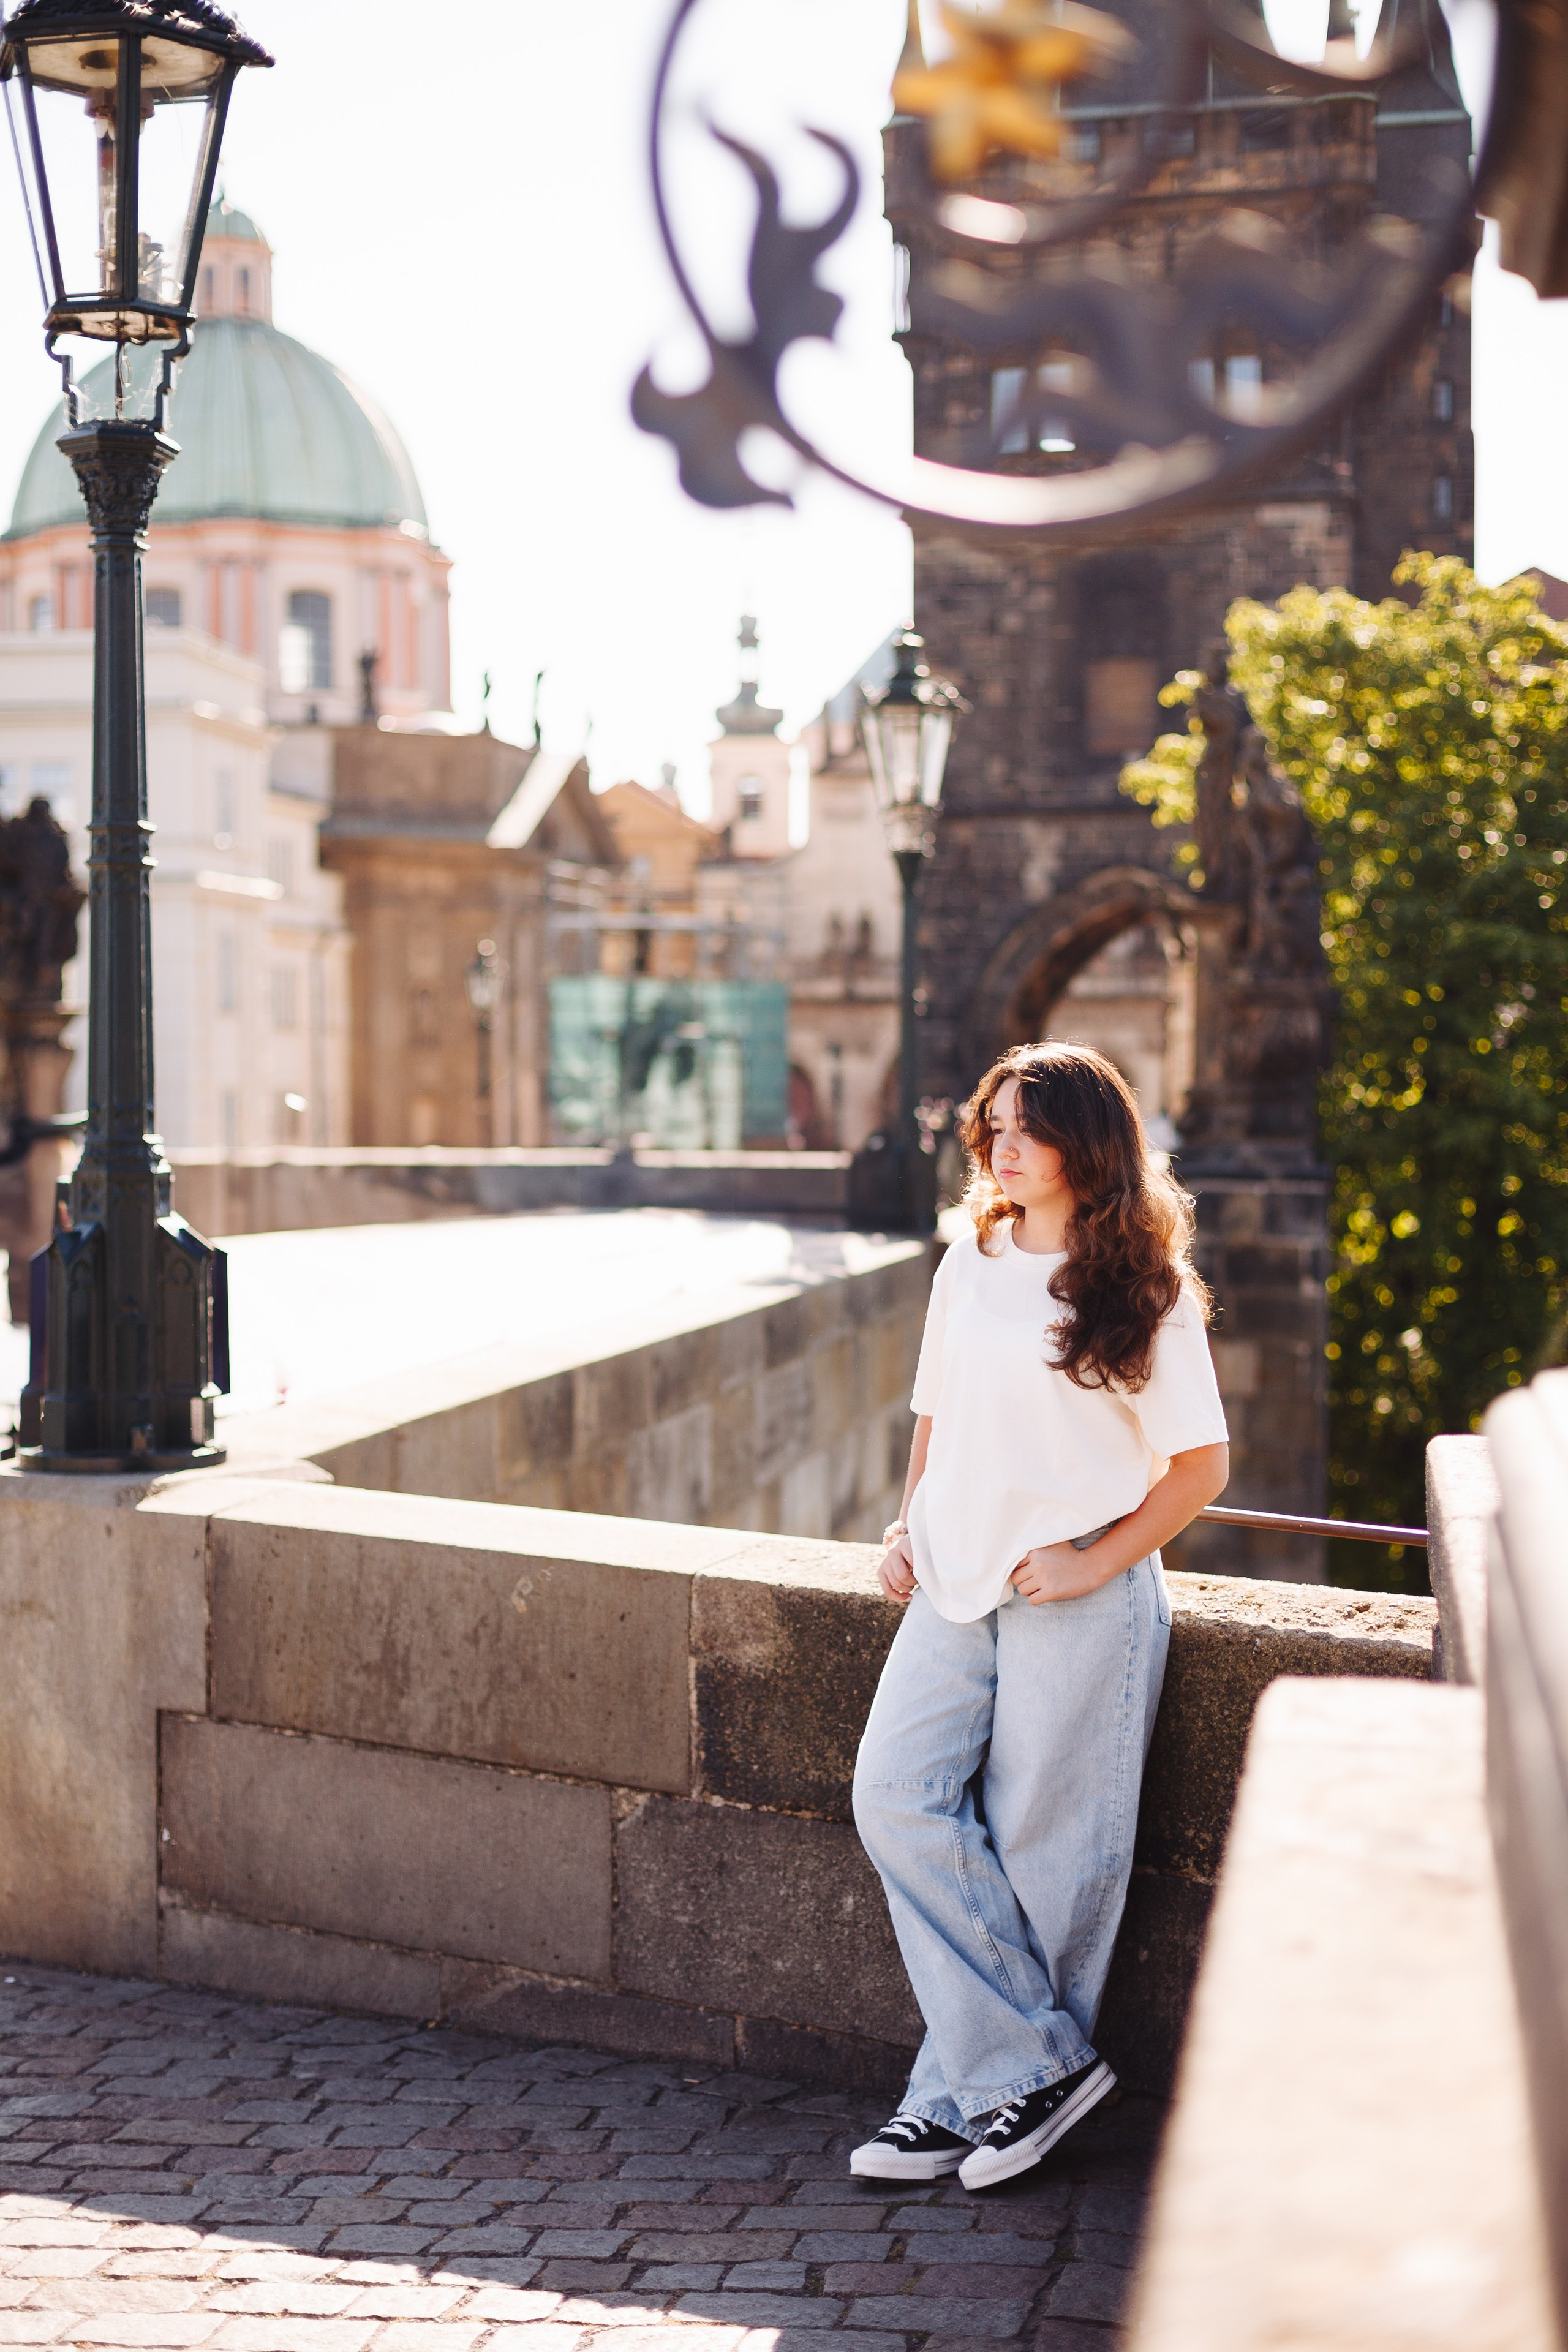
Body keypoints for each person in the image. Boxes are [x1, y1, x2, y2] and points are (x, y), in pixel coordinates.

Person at [850, 1042, 1229, 2190]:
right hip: (954, 1575)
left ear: (1086, 1144)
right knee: (893, 1795)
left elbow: (1200, 1466)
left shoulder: (1142, 1287)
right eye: (993, 1125)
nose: (1000, 1146)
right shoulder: (969, 1258)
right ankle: (1028, 2074)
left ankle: (956, 2097)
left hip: (1081, 1592)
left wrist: (1092, 1561)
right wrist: (909, 1524)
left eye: (1026, 1127)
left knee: (1045, 1852)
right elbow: (937, 1416)